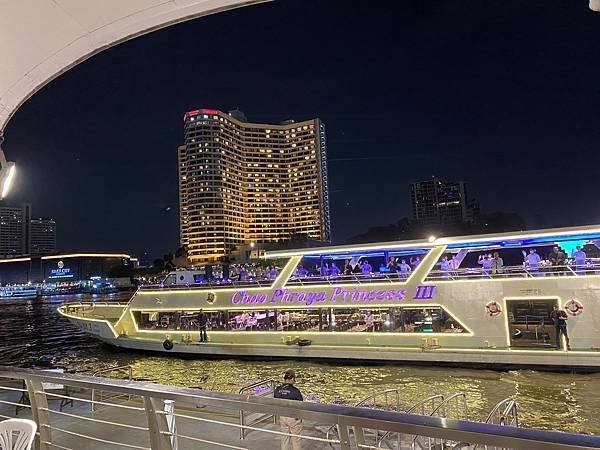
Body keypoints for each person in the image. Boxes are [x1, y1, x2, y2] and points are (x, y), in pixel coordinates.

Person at [274, 369, 304, 450]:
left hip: (283, 416)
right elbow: (300, 405)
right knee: (296, 440)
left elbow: (276, 402)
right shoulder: (295, 391)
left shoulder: (277, 390)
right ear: (292, 379)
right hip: (293, 417)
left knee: (284, 439)